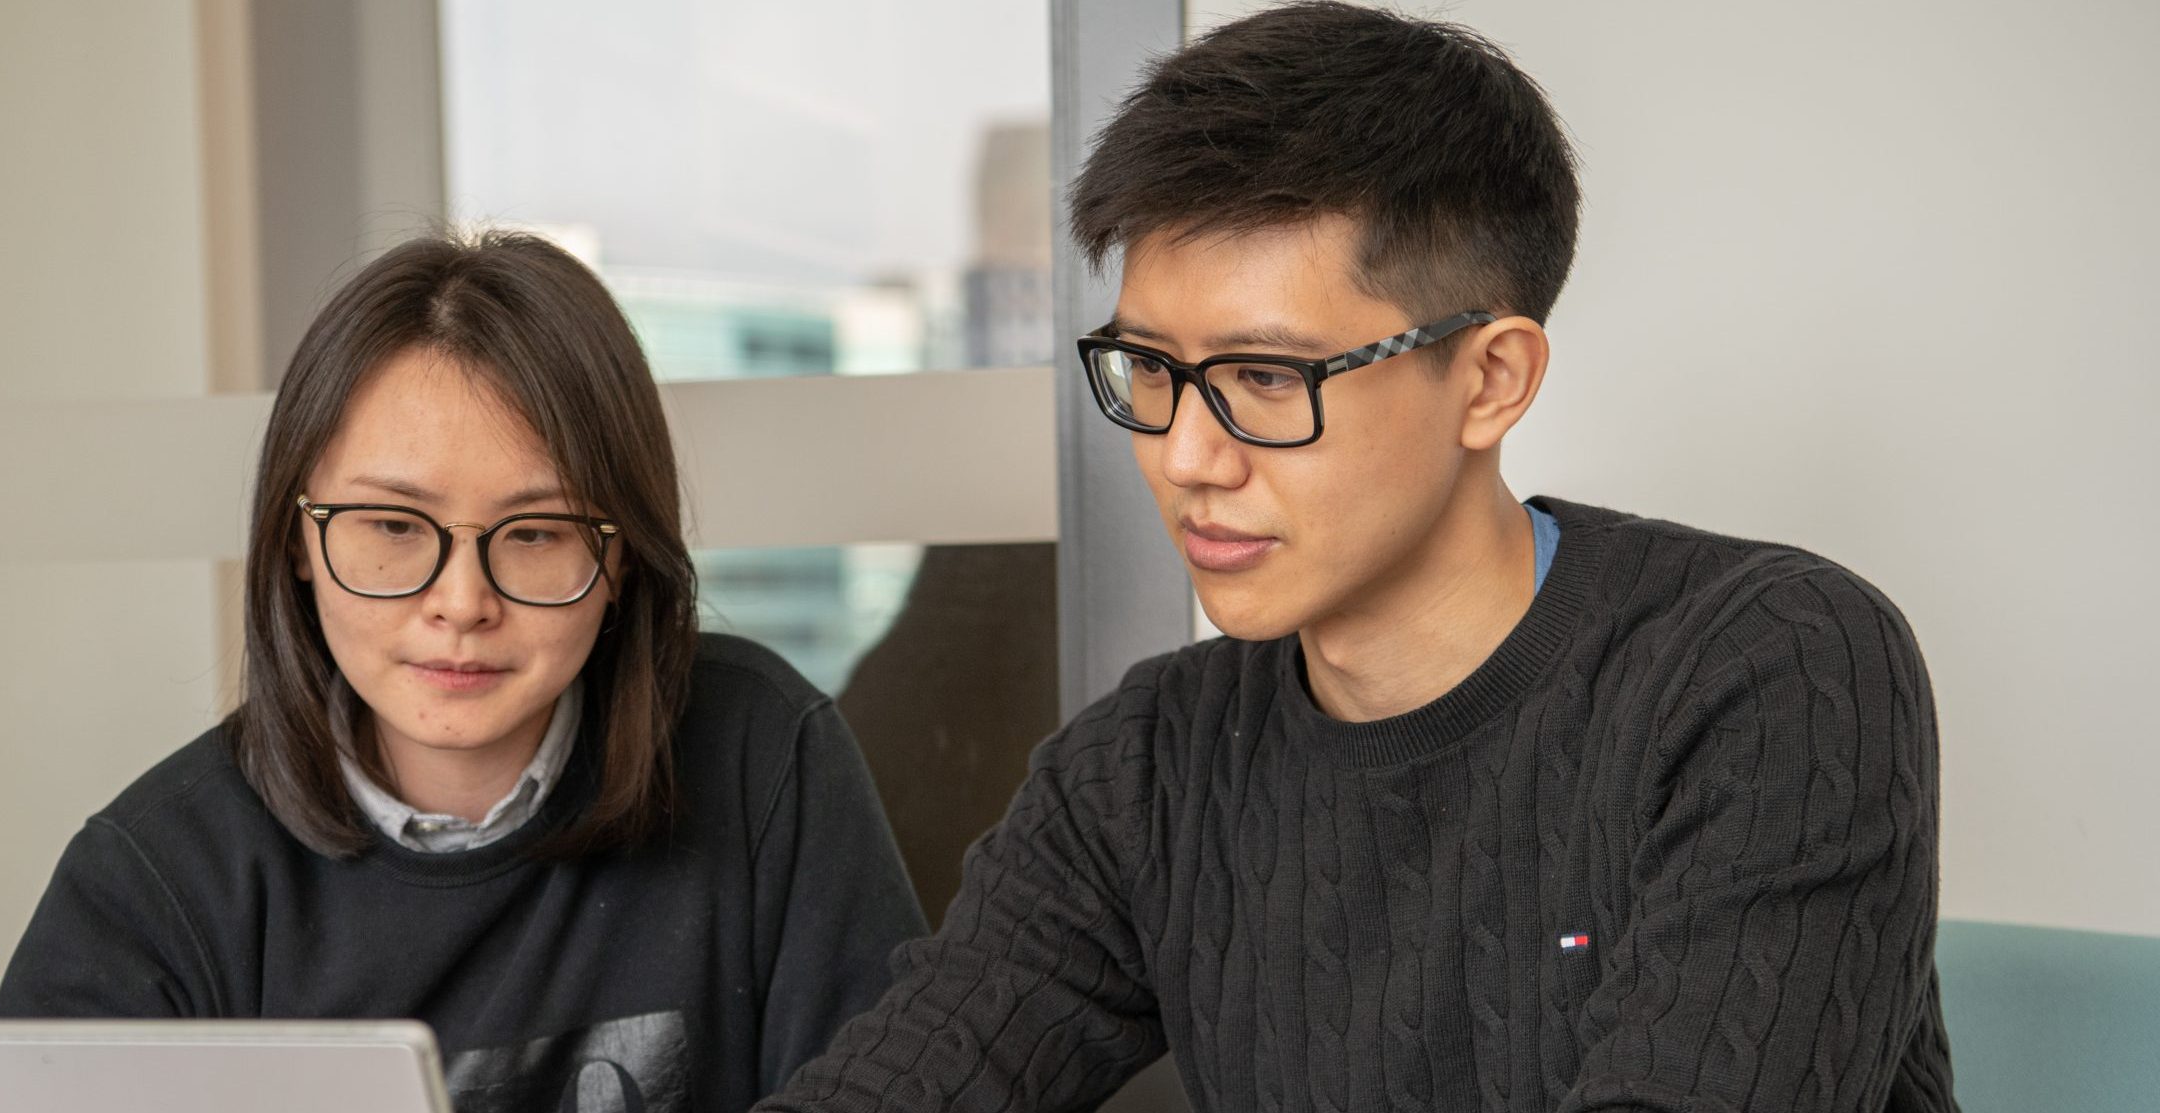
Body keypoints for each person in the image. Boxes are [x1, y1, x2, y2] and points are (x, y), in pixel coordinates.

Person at [760, 4, 1954, 1111]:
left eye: (1265, 379)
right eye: (1151, 371)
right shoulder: (1148, 767)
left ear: (1489, 380)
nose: (1184, 457)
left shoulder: (1764, 667)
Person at [0, 231, 925, 1113]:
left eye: (536, 534)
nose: (462, 601)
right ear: (298, 540)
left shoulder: (759, 756)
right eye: (395, 527)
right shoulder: (161, 874)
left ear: (624, 557)